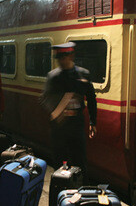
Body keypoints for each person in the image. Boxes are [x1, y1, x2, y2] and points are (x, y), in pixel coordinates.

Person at [40, 42, 97, 174]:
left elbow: (91, 99)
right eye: (59, 58)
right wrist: (56, 112)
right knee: (59, 164)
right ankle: (60, 192)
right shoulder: (53, 77)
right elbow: (44, 99)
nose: (61, 61)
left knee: (80, 163)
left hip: (77, 126)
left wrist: (93, 121)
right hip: (59, 128)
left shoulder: (83, 75)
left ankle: (80, 190)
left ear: (71, 56)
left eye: (64, 57)